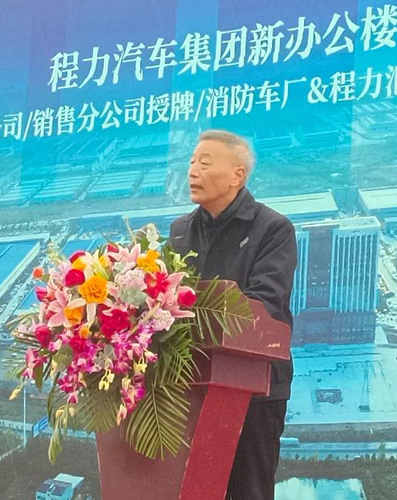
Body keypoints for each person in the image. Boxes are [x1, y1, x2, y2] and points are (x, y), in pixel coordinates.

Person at [169, 129, 297, 500]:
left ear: (237, 175)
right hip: (190, 386)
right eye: (191, 161)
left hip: (253, 390)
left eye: (205, 163)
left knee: (248, 492)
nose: (193, 170)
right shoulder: (180, 230)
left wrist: (193, 310)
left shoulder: (273, 229)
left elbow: (265, 304)